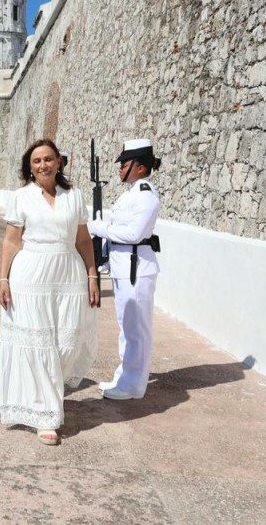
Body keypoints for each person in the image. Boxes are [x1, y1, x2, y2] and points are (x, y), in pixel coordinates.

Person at [0, 138, 100, 446]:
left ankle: (48, 399)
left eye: (48, 159)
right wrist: (3, 279)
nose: (43, 165)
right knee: (38, 344)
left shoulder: (75, 196)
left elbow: (84, 240)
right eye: (36, 161)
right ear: (30, 168)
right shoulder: (21, 197)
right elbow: (12, 241)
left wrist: (92, 275)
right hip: (30, 276)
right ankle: (46, 414)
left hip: (69, 273)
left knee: (66, 343)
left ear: (59, 163)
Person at [87, 138, 162, 401]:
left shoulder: (146, 196)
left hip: (137, 269)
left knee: (137, 329)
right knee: (125, 326)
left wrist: (100, 228)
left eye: (125, 164)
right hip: (123, 267)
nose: (120, 169)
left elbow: (133, 233)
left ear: (140, 168)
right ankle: (125, 375)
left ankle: (133, 385)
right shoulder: (130, 194)